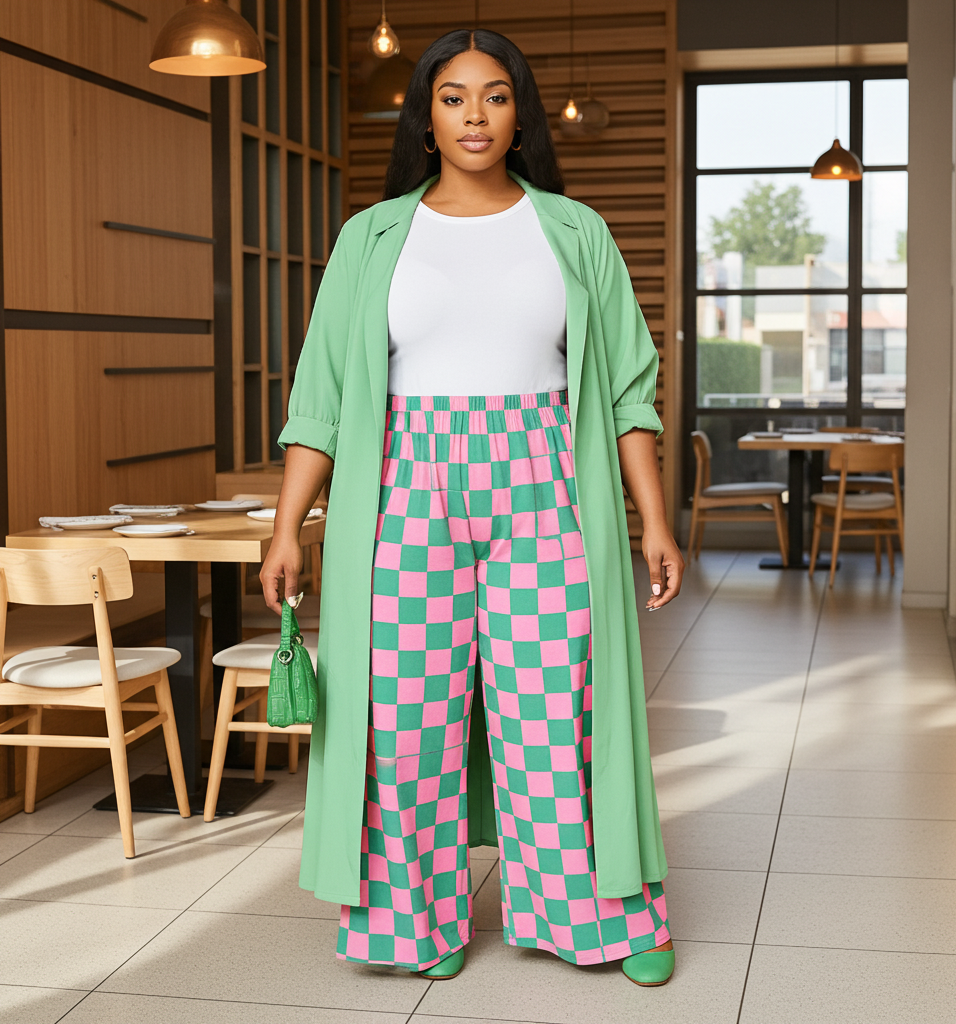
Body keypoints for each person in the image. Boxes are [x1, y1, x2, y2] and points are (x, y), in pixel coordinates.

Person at [260, 27, 684, 988]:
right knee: (406, 723)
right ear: (425, 119)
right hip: (406, 501)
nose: (475, 115)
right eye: (453, 98)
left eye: (495, 96)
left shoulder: (575, 231)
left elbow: (625, 391)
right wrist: (289, 525)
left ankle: (607, 918)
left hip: (548, 497)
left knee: (557, 717)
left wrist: (653, 518)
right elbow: (321, 398)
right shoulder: (370, 239)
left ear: (521, 114)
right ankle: (415, 926)